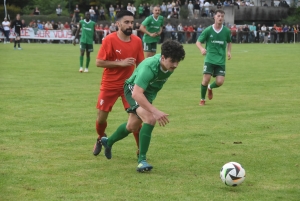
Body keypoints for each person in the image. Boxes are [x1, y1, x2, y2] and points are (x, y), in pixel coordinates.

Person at [100, 40, 185, 172]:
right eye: (172, 61)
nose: (175, 65)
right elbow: (136, 94)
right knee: (150, 118)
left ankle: (108, 141)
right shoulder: (149, 67)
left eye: (178, 61)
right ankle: (142, 161)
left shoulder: (169, 65)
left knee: (131, 126)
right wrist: (154, 111)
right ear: (163, 58)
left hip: (147, 93)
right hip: (133, 89)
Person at [93, 10, 145, 157]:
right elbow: (99, 62)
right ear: (118, 24)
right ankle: (100, 138)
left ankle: (141, 151)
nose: (130, 25)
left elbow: (140, 65)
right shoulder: (109, 40)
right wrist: (120, 63)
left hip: (128, 87)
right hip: (109, 85)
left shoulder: (137, 41)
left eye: (132, 22)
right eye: (126, 22)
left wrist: (141, 84)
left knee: (136, 119)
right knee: (101, 118)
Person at [196, 9, 232, 106]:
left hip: (221, 60)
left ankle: (210, 87)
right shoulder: (208, 30)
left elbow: (229, 42)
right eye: (218, 16)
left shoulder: (226, 31)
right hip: (209, 59)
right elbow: (198, 42)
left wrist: (229, 52)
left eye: (222, 16)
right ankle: (202, 99)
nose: (220, 18)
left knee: (220, 82)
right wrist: (201, 49)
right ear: (214, 17)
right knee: (206, 79)